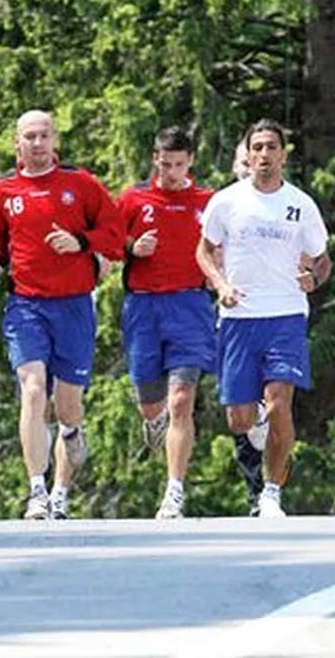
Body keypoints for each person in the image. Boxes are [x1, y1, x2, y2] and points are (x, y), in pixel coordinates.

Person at [0, 110, 125, 520]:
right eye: (30, 136)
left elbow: (115, 239)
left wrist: (80, 241)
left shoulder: (80, 185)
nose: (38, 143)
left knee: (66, 406)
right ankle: (37, 492)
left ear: (54, 140)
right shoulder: (1, 192)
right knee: (32, 388)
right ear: (17, 143)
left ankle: (72, 431)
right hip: (26, 305)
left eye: (44, 135)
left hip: (74, 305)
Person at [196, 119, 331, 518]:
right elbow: (204, 251)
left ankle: (271, 492)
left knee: (279, 402)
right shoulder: (226, 202)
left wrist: (313, 279)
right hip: (239, 317)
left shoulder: (301, 205)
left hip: (286, 315)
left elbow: (322, 260)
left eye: (272, 147)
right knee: (239, 419)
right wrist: (220, 284)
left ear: (283, 155)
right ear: (248, 155)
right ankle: (254, 423)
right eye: (257, 148)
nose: (264, 155)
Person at [116, 127, 216, 519]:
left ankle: (174, 489)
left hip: (190, 305)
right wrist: (131, 248)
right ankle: (152, 420)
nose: (172, 171)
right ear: (155, 158)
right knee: (152, 402)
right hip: (143, 308)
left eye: (179, 164)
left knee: (181, 400)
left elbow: (224, 244)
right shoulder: (133, 198)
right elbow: (108, 244)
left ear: (190, 161)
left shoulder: (207, 201)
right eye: (165, 162)